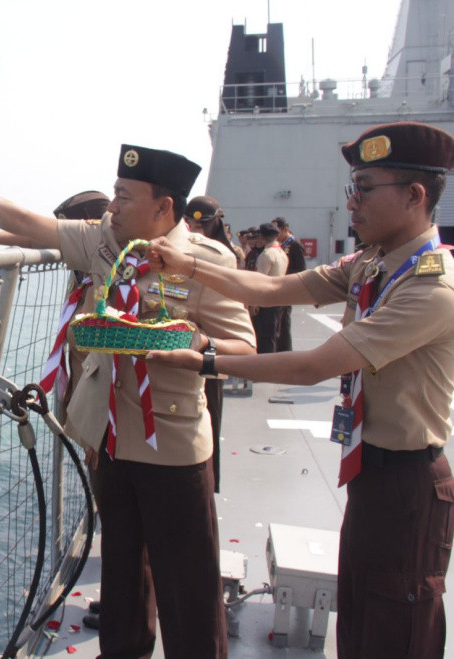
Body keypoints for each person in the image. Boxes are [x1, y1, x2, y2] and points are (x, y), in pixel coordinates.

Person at [0, 143, 256, 658]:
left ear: (163, 206)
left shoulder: (204, 263)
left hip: (172, 445)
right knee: (122, 571)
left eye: (124, 197)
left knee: (187, 583)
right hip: (111, 440)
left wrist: (194, 343)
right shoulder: (103, 241)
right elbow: (26, 222)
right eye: (114, 194)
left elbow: (245, 347)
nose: (113, 206)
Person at [145, 121, 454, 659]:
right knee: (358, 628)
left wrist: (206, 361)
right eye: (352, 188)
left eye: (364, 189)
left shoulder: (431, 287)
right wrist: (187, 264)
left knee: (395, 633)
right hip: (368, 472)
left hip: (407, 486)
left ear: (414, 195)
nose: (352, 202)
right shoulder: (372, 265)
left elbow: (315, 365)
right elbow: (271, 288)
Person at [0, 190, 111, 631]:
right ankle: (123, 598)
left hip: (110, 422)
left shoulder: (107, 277)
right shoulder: (90, 270)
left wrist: (100, 431)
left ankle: (127, 606)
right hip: (95, 416)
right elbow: (34, 236)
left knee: (122, 514)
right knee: (112, 508)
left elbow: (114, 366)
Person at [185, 196, 239, 492]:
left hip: (211, 347)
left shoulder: (223, 256)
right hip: (186, 347)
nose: (196, 230)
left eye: (201, 224)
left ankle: (208, 481)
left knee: (210, 413)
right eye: (191, 223)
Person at [250, 222, 288, 354]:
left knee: (264, 337)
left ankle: (265, 363)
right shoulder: (281, 252)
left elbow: (260, 281)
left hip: (266, 300)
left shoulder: (266, 254)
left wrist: (254, 303)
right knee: (273, 335)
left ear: (262, 236)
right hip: (279, 298)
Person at [273, 217, 307, 351]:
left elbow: (300, 269)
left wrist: (283, 273)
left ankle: (285, 349)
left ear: (285, 229)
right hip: (280, 286)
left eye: (278, 232)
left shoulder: (295, 245)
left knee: (284, 321)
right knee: (278, 321)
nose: (276, 236)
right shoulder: (282, 245)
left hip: (288, 286)